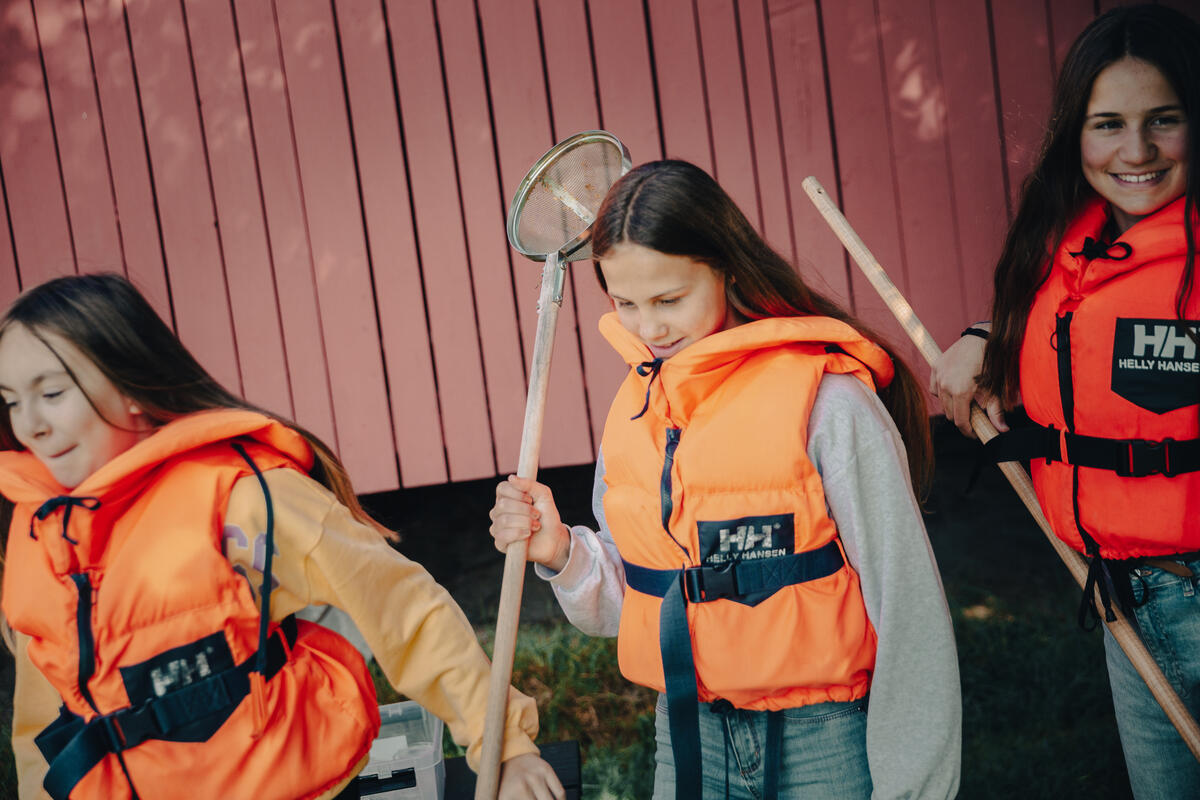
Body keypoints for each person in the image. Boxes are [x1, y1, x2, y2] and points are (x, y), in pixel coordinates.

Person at [490, 160, 960, 799]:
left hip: (821, 737)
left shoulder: (828, 403)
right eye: (624, 302)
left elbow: (908, 609)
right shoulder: (636, 412)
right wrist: (564, 554)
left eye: (668, 300)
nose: (648, 329)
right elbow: (633, 603)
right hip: (687, 735)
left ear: (727, 269)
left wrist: (915, 788)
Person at [0, 274, 564, 800]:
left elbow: (405, 612)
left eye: (52, 394)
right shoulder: (41, 531)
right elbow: (40, 715)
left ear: (130, 385)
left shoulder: (248, 501)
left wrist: (505, 745)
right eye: (11, 401)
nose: (31, 424)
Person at [928, 5, 1200, 797]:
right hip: (1119, 590)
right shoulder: (1068, 244)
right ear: (1073, 135)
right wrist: (989, 335)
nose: (1137, 152)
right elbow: (1074, 342)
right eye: (1108, 124)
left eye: (1165, 121)